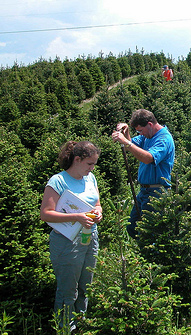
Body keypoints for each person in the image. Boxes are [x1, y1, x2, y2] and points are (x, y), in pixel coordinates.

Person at [40, 141, 102, 332]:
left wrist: (98, 213)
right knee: (68, 289)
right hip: (67, 241)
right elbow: (46, 214)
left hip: (90, 238)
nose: (92, 168)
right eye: (89, 164)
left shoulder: (90, 179)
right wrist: (77, 217)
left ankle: (81, 322)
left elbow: (97, 204)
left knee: (86, 285)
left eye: (94, 164)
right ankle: (66, 326)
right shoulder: (58, 181)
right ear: (77, 160)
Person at [112, 109, 175, 238]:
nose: (140, 134)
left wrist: (126, 142)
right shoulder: (147, 136)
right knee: (132, 227)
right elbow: (134, 146)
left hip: (157, 192)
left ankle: (149, 256)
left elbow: (148, 158)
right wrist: (126, 133)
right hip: (144, 192)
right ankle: (140, 255)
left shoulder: (163, 139)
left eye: (140, 130)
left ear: (150, 124)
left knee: (148, 232)